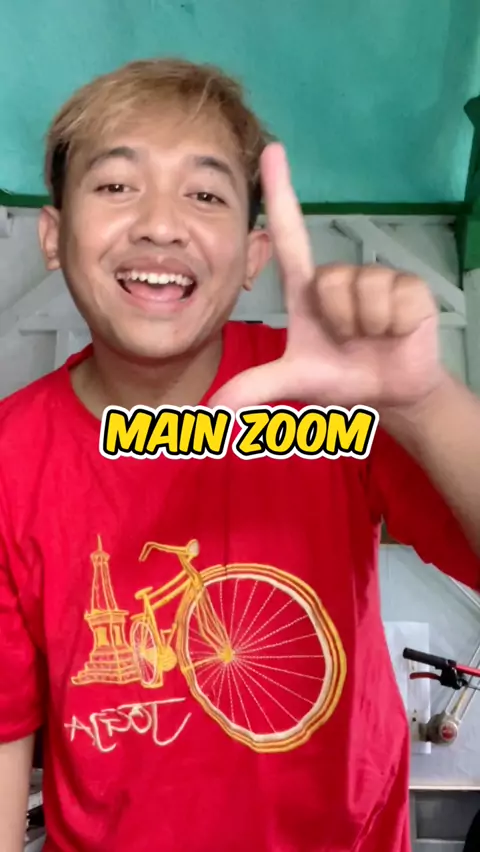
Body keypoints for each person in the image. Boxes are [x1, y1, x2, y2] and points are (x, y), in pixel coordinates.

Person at [0, 57, 478, 852]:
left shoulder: (333, 400)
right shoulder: (9, 458)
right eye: (116, 185)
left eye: (205, 194)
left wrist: (422, 401)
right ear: (54, 237)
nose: (160, 224)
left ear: (254, 255)